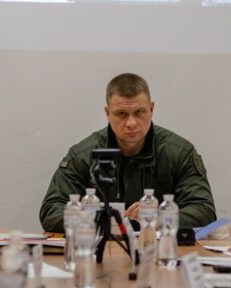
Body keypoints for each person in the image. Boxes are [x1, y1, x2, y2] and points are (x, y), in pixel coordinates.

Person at [40, 73, 216, 231]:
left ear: (152, 109)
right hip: (101, 248)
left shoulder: (179, 152)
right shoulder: (84, 155)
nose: (131, 123)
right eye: (121, 114)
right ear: (107, 113)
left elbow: (204, 210)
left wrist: (162, 217)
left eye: (139, 112)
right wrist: (95, 218)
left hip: (159, 248)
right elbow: (51, 211)